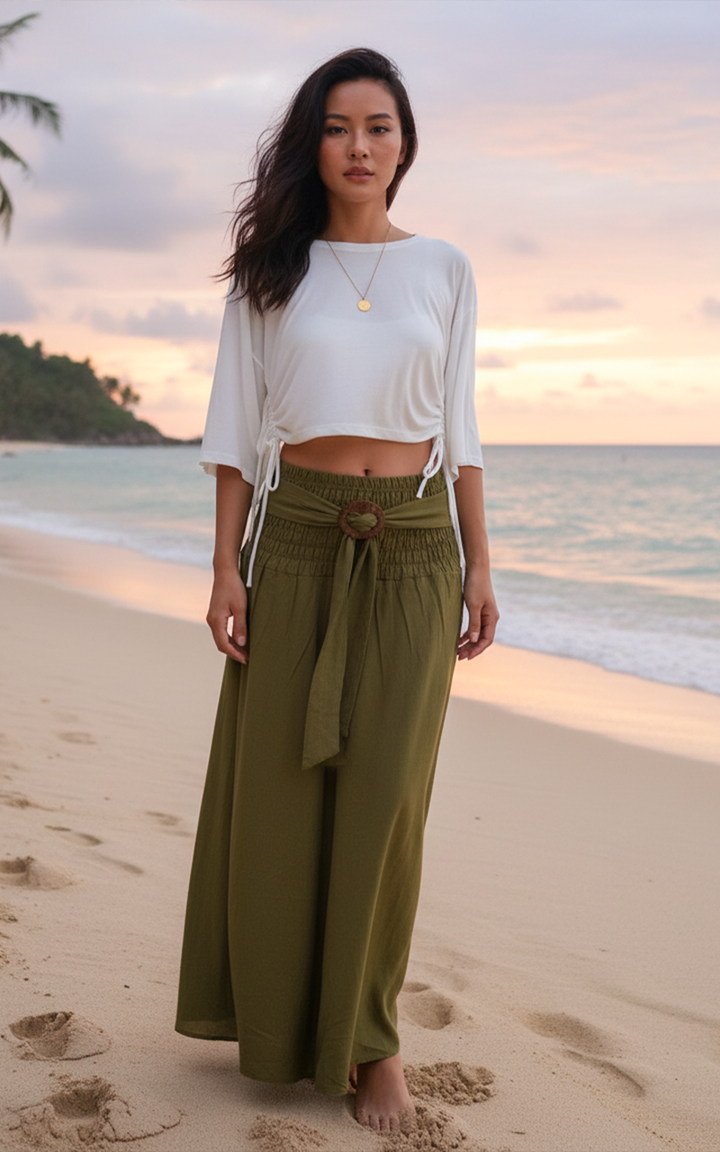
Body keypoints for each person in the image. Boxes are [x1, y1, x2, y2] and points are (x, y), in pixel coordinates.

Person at [175, 47, 498, 1135]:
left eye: (381, 128)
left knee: (384, 803)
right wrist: (226, 566)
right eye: (339, 127)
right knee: (278, 788)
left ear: (406, 146)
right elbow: (232, 432)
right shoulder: (271, 272)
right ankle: (271, 1023)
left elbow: (460, 430)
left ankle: (372, 1046)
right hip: (300, 535)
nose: (360, 147)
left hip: (414, 546)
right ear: (311, 143)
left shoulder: (445, 268)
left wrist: (482, 561)